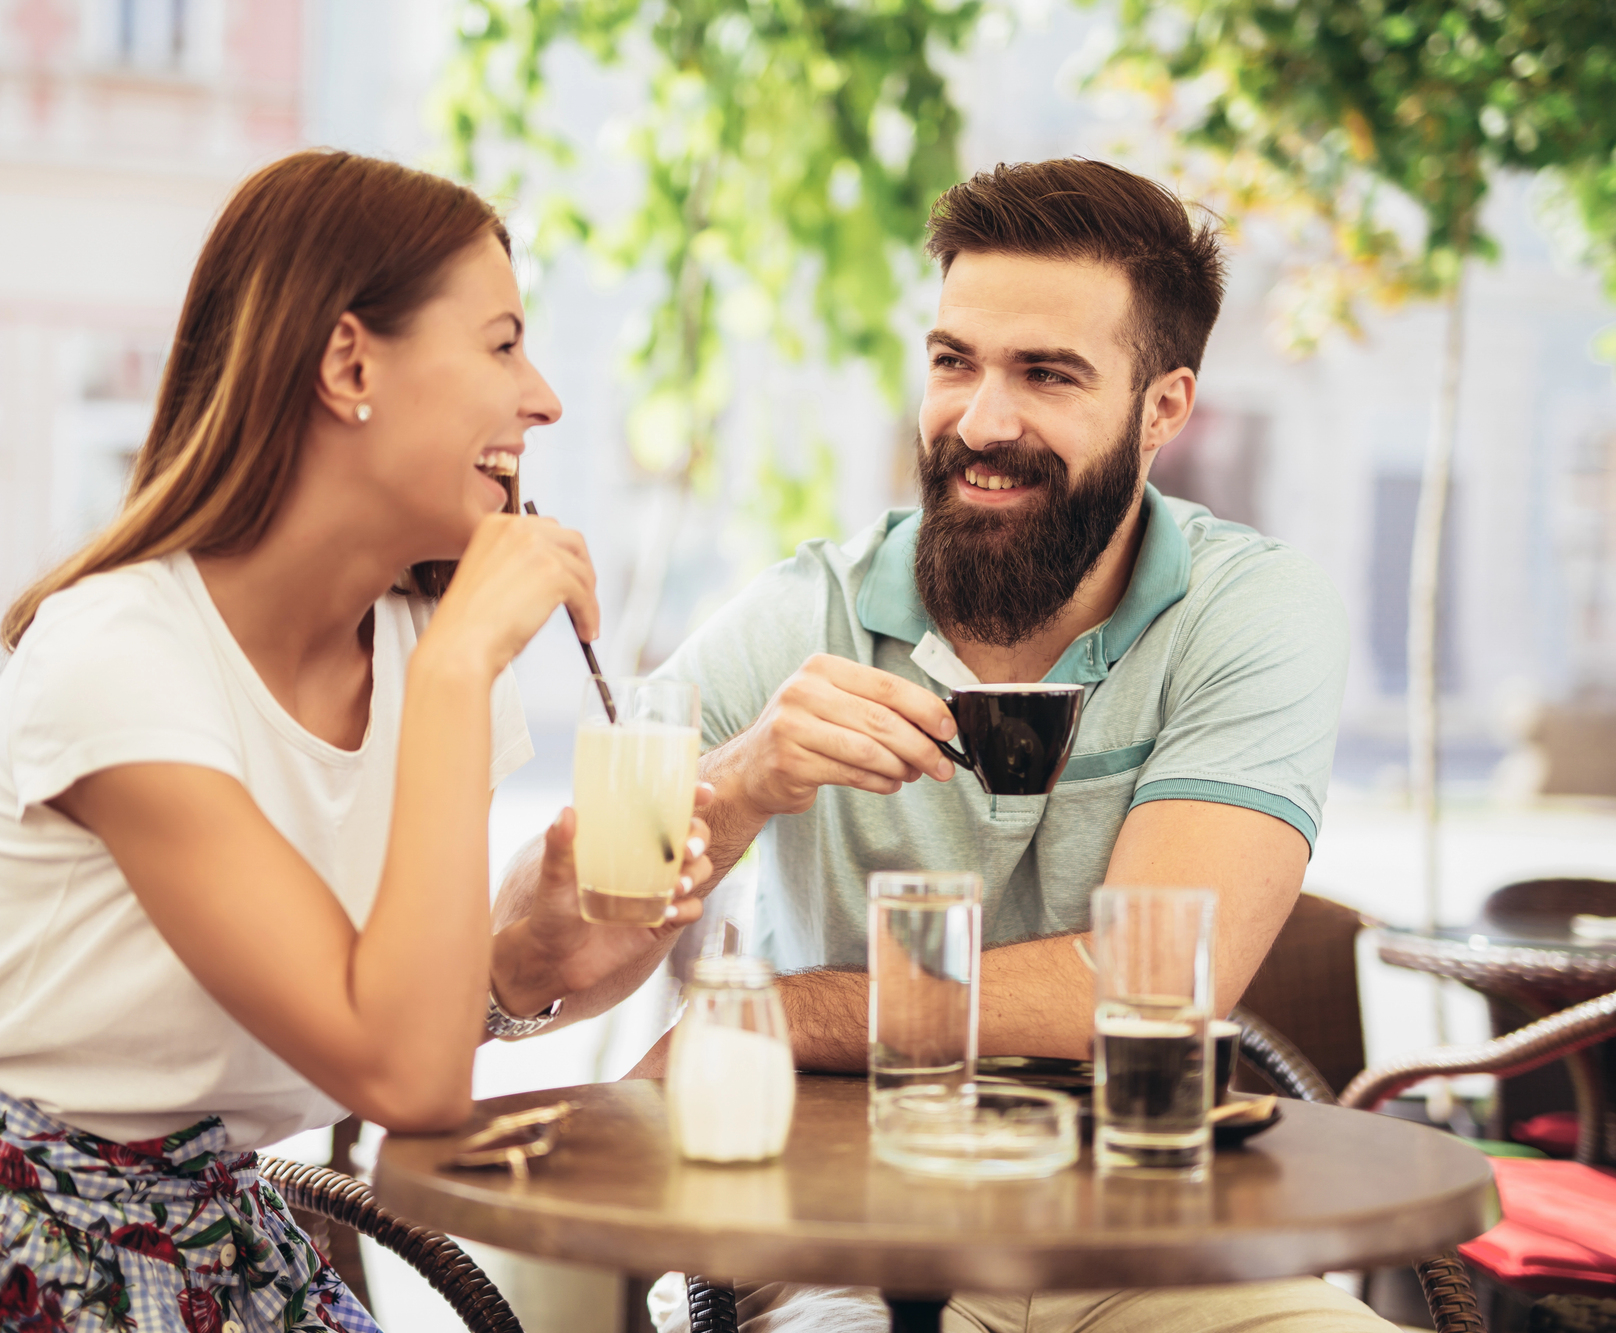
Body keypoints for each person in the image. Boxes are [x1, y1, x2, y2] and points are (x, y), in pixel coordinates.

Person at [0, 150, 712, 1333]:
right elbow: (407, 1082)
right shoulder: (118, 652)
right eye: (503, 343)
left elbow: (375, 1012)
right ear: (348, 361)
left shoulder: (420, 645)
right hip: (11, 1268)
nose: (544, 399)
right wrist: (466, 665)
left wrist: (526, 962)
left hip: (230, 1249)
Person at [507, 158, 1384, 1332]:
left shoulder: (1248, 613)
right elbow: (546, 965)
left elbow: (1151, 988)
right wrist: (743, 777)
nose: (980, 420)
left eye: (1045, 374)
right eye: (952, 361)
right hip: (839, 1242)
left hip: (1153, 1245)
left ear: (1163, 407)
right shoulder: (793, 617)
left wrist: (784, 1012)